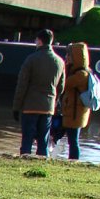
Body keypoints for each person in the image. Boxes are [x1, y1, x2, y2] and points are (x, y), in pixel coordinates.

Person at [12, 28, 65, 157]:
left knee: (27, 138)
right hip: (48, 107)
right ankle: (42, 162)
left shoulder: (31, 59)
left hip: (30, 106)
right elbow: (61, 87)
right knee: (43, 140)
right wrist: (54, 101)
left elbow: (22, 85)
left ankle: (24, 159)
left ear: (39, 41)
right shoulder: (60, 62)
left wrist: (16, 107)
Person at [51, 42, 91, 161]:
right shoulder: (78, 73)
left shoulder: (81, 75)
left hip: (75, 114)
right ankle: (51, 153)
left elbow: (65, 83)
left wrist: (65, 68)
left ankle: (73, 161)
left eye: (69, 56)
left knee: (73, 140)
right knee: (58, 134)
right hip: (70, 112)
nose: (66, 58)